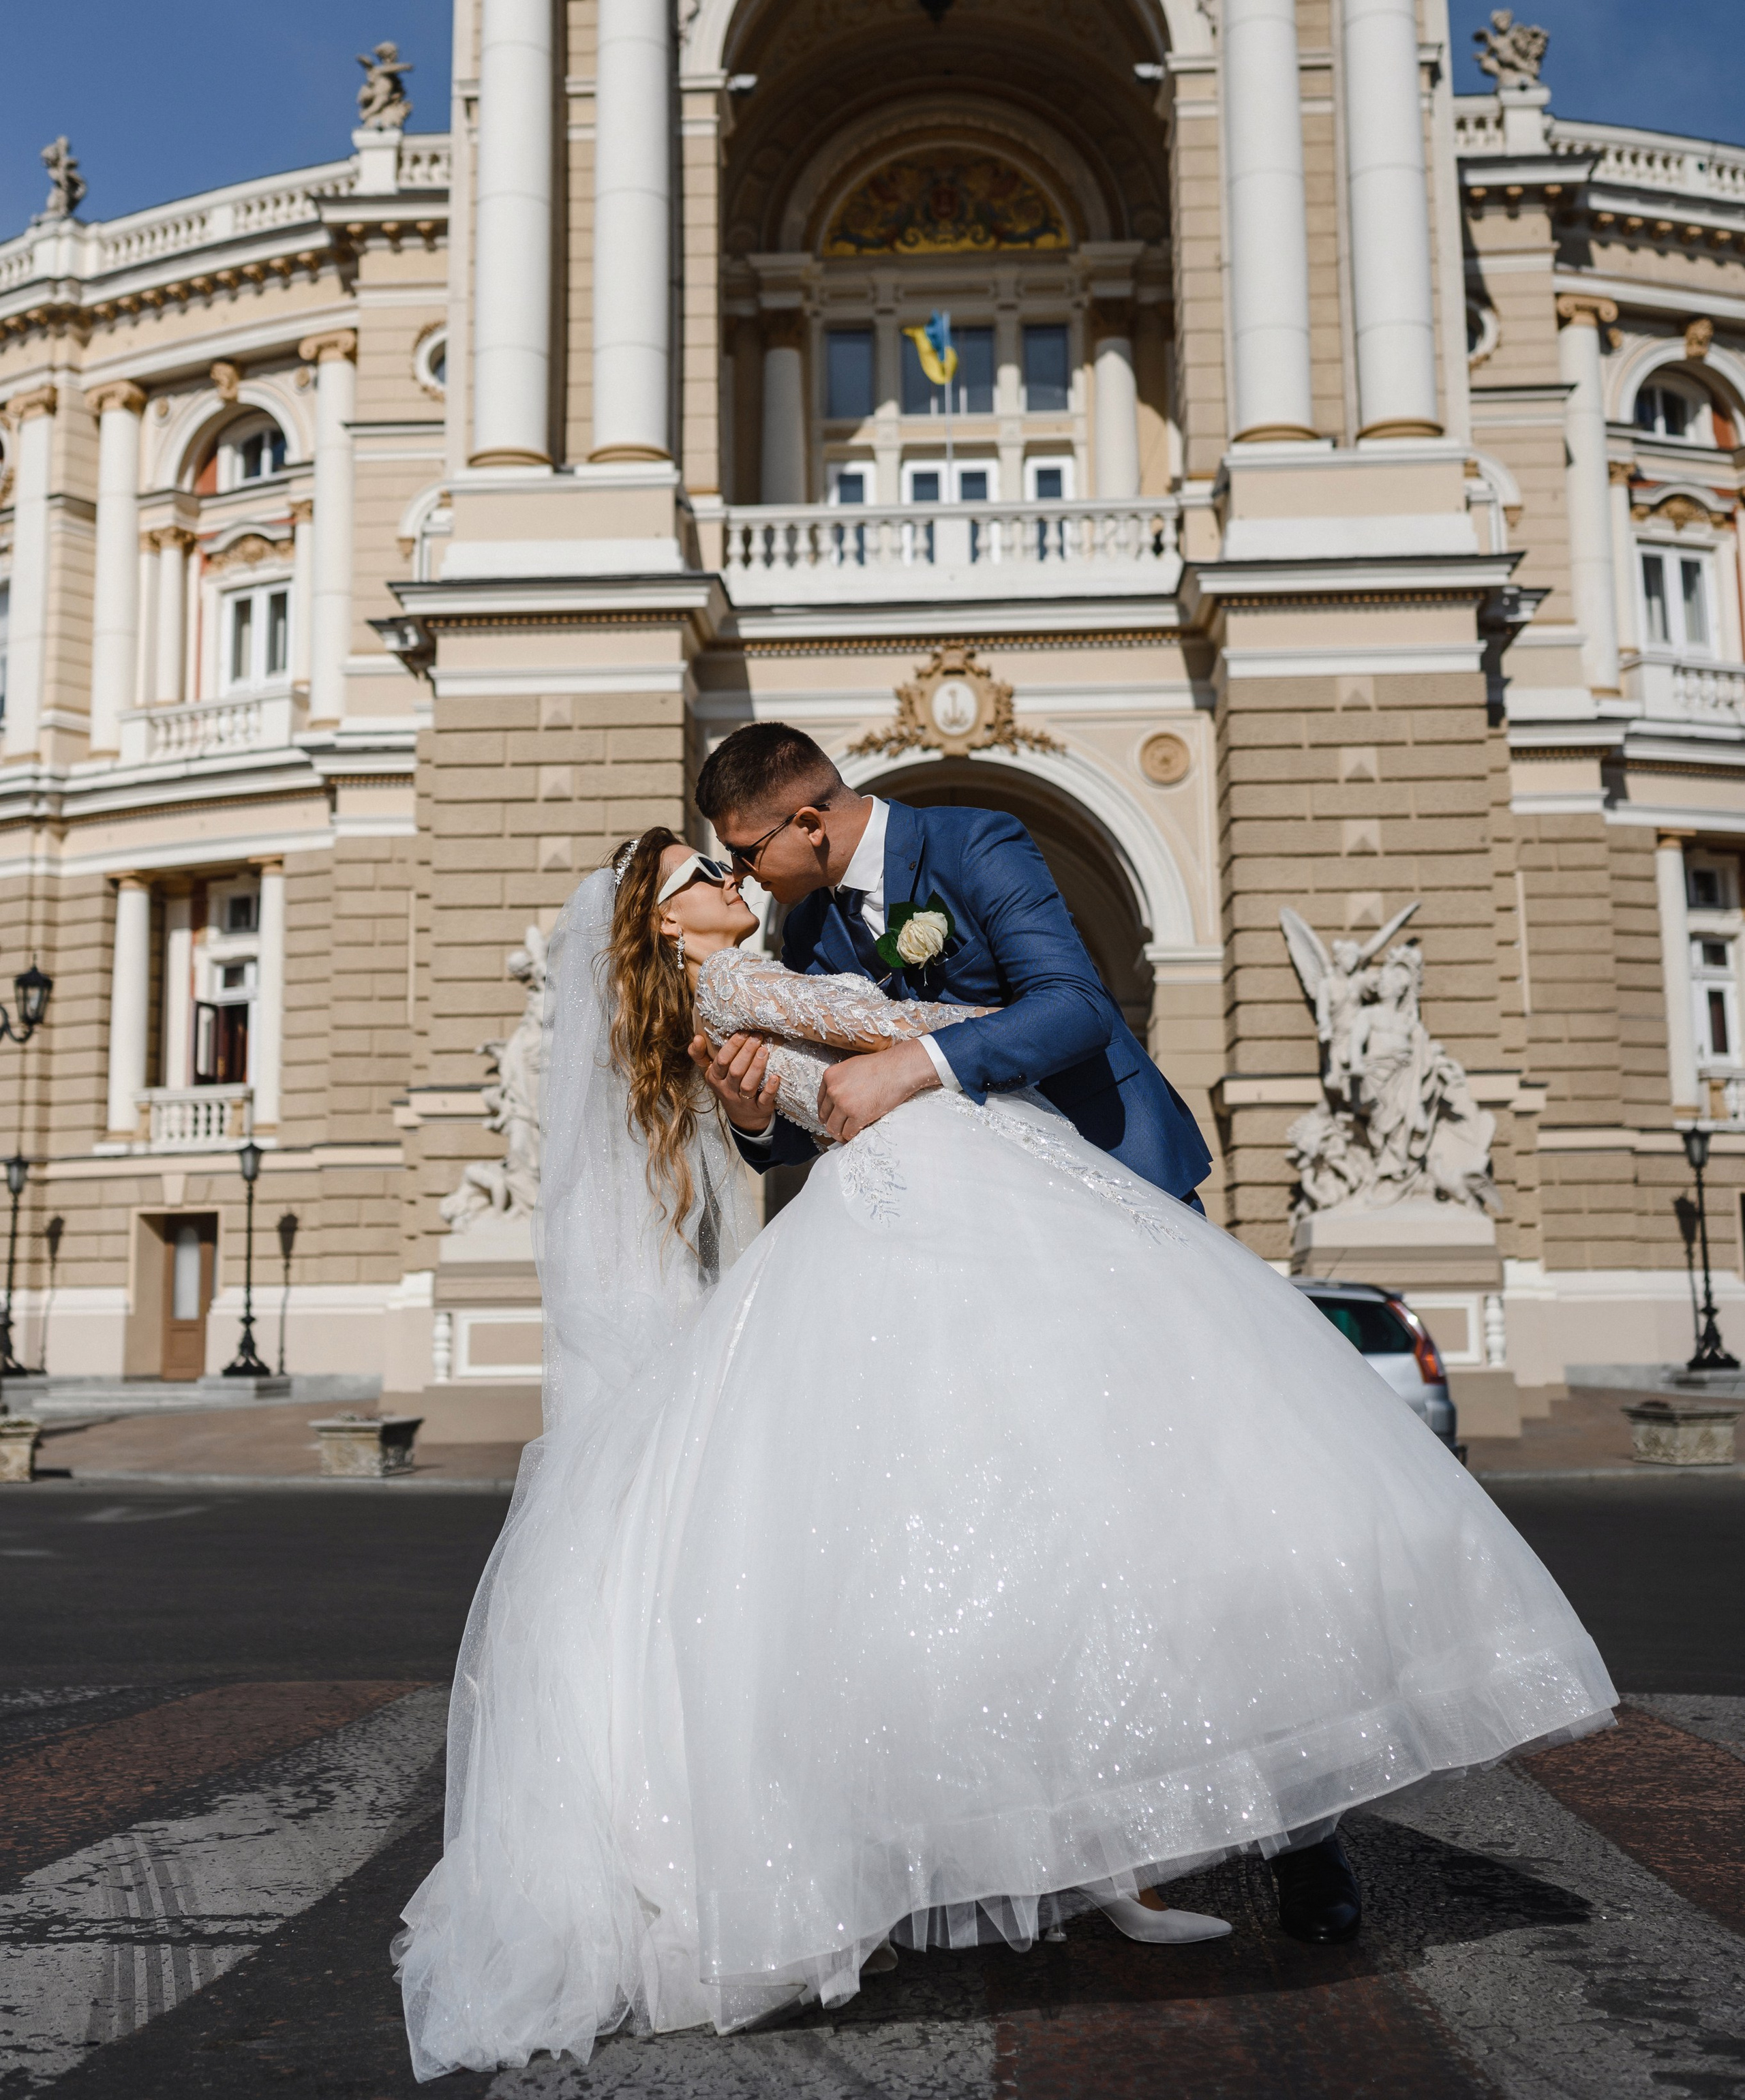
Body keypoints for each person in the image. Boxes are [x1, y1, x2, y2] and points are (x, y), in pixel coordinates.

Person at [395, 831, 1617, 2080]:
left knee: (1056, 1518)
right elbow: (932, 1030)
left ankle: (1138, 1851)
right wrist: (932, 1036)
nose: (729, 878)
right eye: (701, 873)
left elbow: (829, 1078)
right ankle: (1102, 1850)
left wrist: (782, 1092)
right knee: (1045, 1515)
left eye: (729, 856)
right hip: (929, 1212)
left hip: (961, 1200)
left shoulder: (826, 931)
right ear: (662, 925)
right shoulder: (749, 980)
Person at [688, 722, 1211, 1204]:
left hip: (1113, 1163)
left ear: (808, 825)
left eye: (746, 852)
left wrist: (910, 1063)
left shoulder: (975, 845)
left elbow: (1077, 1007)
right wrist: (753, 1120)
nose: (741, 873)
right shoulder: (808, 930)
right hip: (974, 1203)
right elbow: (834, 1106)